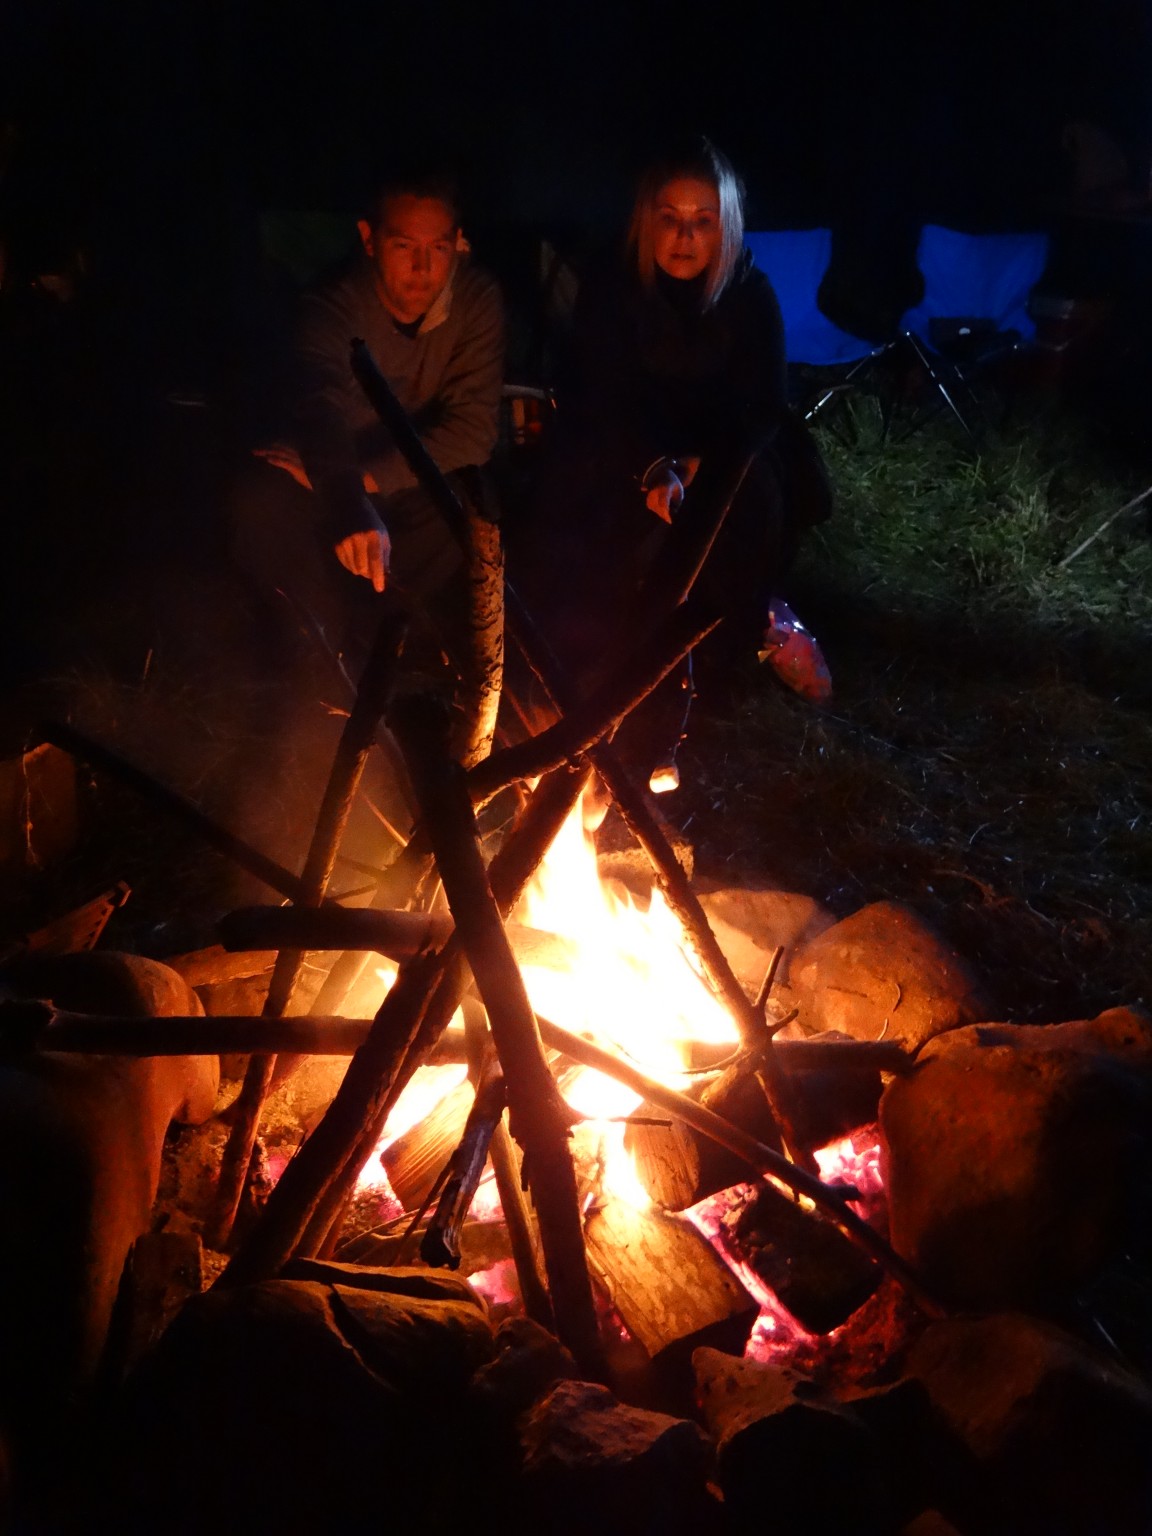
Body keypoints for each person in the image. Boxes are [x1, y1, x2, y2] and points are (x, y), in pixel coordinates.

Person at [517, 134, 831, 779]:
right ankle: (612, 673)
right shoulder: (613, 287)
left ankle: (732, 644)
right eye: (670, 218)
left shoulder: (750, 293)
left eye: (702, 221)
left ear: (725, 228)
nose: (685, 237)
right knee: (606, 529)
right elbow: (597, 396)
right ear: (646, 222)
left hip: (723, 456)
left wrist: (697, 466)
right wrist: (651, 466)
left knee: (744, 509)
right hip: (627, 449)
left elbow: (764, 407)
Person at [232, 163, 505, 687]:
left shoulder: (475, 299)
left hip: (397, 477)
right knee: (260, 500)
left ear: (457, 243)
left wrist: (360, 484)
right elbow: (320, 406)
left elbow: (472, 433)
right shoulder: (332, 304)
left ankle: (399, 657)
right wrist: (343, 496)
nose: (423, 268)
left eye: (439, 248)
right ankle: (314, 667)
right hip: (329, 469)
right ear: (369, 239)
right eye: (404, 246)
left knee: (467, 507)